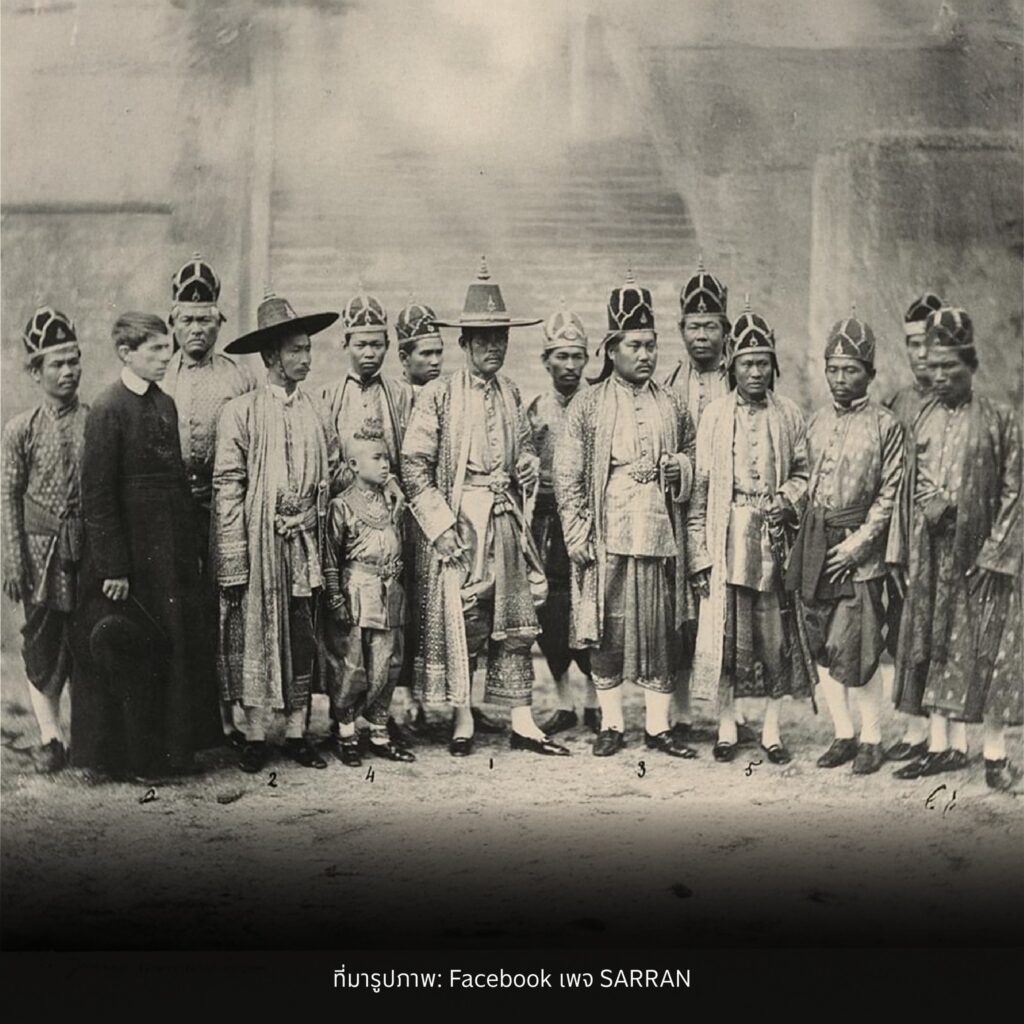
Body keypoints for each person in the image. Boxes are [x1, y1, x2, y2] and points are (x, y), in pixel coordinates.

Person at [400, 257, 569, 757]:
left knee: (514, 617)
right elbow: (413, 464)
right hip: (462, 521)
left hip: (505, 517)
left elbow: (524, 449)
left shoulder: (511, 392)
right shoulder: (439, 396)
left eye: (501, 339)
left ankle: (522, 721)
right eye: (484, 339)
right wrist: (440, 527)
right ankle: (463, 717)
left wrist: (527, 465)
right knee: (467, 617)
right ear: (465, 343)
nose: (494, 347)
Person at [554, 272, 697, 758]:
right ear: (611, 349)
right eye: (634, 346)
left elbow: (693, 454)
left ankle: (657, 728)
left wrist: (680, 467)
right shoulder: (588, 404)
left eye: (651, 345)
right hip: (607, 531)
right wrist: (577, 534)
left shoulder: (672, 403)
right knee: (608, 629)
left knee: (660, 629)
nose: (645, 355)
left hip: (657, 531)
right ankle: (612, 725)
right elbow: (568, 474)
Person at [72, 313, 220, 779]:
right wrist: (113, 566)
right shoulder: (107, 409)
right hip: (131, 559)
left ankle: (173, 753)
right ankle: (130, 759)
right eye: (154, 349)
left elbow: (175, 481)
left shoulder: (165, 405)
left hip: (169, 554)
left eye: (166, 349)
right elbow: (97, 496)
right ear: (126, 352)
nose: (165, 357)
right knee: (131, 650)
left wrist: (187, 550)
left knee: (173, 646)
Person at [886, 307, 1021, 790]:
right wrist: (924, 514)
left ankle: (995, 755)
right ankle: (941, 747)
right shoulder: (921, 418)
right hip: (931, 553)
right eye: (934, 366)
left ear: (972, 365)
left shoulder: (999, 420)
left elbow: (1015, 490)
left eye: (951, 367)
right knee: (933, 645)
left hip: (982, 560)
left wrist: (995, 554)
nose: (939, 375)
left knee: (988, 650)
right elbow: (909, 483)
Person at [213, 293, 341, 773]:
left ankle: (296, 732)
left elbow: (333, 472)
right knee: (257, 632)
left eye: (308, 349)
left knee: (301, 631)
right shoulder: (240, 412)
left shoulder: (318, 410)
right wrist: (235, 556)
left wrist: (310, 513)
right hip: (259, 542)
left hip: (305, 543)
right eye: (295, 351)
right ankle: (254, 734)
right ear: (271, 357)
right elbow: (228, 484)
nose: (305, 359)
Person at [688, 302, 816, 764]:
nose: (756, 372)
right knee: (727, 639)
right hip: (728, 540)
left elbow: (804, 472)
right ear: (732, 365)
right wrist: (699, 555)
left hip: (774, 541)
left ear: (773, 366)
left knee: (775, 641)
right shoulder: (714, 416)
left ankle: (772, 729)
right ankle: (726, 725)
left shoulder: (789, 414)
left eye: (763, 363)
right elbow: (700, 491)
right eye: (747, 363)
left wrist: (787, 498)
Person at [786, 312, 904, 774]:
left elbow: (890, 495)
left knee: (858, 648)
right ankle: (843, 734)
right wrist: (788, 507)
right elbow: (803, 477)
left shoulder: (886, 426)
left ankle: (872, 737)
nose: (840, 379)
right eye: (833, 369)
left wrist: (859, 546)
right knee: (821, 644)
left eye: (850, 370)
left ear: (870, 374)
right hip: (816, 545)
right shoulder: (815, 422)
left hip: (859, 555)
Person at [160, 253, 255, 748]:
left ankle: (230, 714)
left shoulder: (240, 378)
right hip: (172, 509)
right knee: (178, 605)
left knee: (226, 607)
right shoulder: (159, 377)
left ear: (220, 322)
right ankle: (184, 715)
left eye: (206, 320)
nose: (197, 329)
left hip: (224, 509)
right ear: (173, 322)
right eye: (188, 320)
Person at [321, 292, 418, 747]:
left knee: (390, 635)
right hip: (347, 523)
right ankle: (344, 717)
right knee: (349, 636)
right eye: (360, 344)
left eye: (377, 344)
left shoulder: (400, 395)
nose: (369, 353)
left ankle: (381, 716)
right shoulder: (329, 397)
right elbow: (326, 462)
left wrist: (392, 480)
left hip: (392, 521)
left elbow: (411, 455)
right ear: (345, 344)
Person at [1, 308, 88, 773]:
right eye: (56, 363)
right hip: (39, 556)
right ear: (36, 372)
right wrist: (14, 561)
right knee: (42, 644)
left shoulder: (96, 420)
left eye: (73, 361)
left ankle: (90, 737)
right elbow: (8, 496)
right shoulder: (21, 429)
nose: (68, 371)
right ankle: (51, 737)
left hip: (87, 551)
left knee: (85, 640)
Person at [664, 257, 735, 745]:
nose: (702, 336)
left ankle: (728, 712)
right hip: (679, 512)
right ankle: (680, 711)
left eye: (711, 326)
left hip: (727, 514)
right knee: (680, 614)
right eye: (694, 326)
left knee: (726, 614)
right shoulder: (670, 386)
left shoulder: (740, 382)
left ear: (725, 331)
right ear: (681, 329)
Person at [527, 306, 600, 736]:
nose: (570, 365)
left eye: (577, 356)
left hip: (590, 520)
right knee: (551, 611)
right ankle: (563, 701)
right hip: (547, 521)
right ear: (546, 361)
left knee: (590, 605)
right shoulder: (535, 410)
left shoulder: (599, 404)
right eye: (561, 356)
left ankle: (595, 700)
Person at [323, 426, 414, 766]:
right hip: (357, 594)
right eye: (376, 458)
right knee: (352, 665)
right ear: (353, 464)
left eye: (386, 457)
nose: (385, 464)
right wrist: (336, 598)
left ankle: (379, 732)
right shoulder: (342, 505)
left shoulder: (392, 501)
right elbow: (330, 557)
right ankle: (346, 733)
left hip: (390, 594)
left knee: (388, 664)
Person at [881, 291, 945, 763]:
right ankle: (915, 730)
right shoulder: (897, 404)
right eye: (913, 344)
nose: (921, 354)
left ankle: (947, 736)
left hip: (942, 542)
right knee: (906, 631)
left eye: (930, 343)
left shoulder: (958, 403)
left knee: (941, 634)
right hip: (902, 542)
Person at [396, 301, 445, 392]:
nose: (435, 361)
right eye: (426, 354)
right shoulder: (393, 396)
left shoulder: (451, 392)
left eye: (439, 352)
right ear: (404, 358)